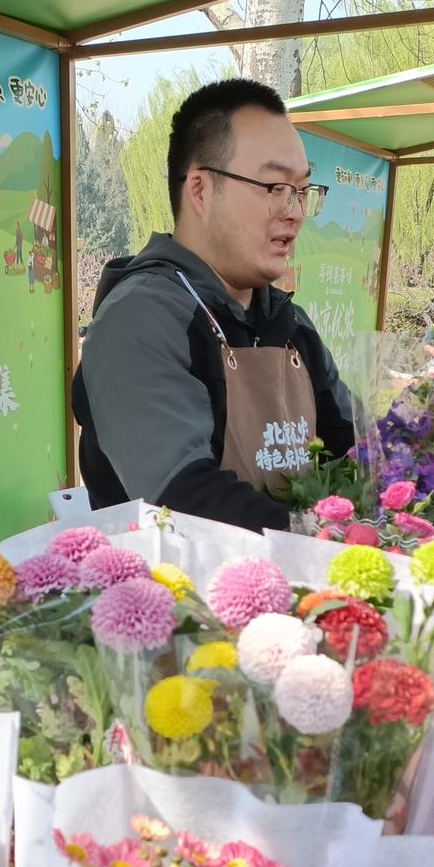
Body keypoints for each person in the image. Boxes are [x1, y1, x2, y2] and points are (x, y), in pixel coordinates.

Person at [73, 78, 354, 531]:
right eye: (275, 187)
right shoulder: (139, 318)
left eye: (302, 191)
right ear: (200, 190)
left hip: (304, 571)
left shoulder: (291, 325)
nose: (295, 212)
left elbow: (355, 448)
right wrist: (331, 538)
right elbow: (184, 503)